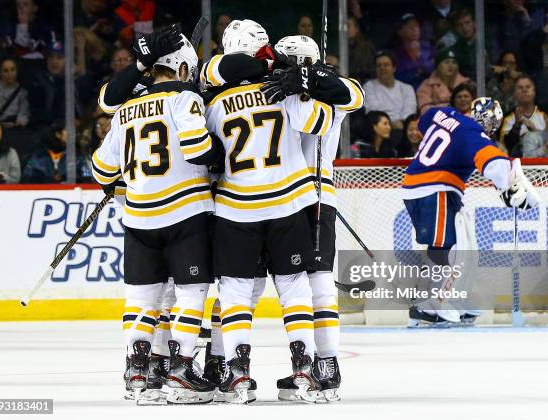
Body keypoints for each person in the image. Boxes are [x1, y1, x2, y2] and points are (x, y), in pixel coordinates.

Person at [92, 34, 220, 405]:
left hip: (138, 217)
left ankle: (138, 372)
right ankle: (180, 368)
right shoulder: (185, 98)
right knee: (191, 293)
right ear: (182, 69)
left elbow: (102, 170)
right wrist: (220, 151)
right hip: (185, 213)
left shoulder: (126, 108)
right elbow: (198, 149)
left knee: (141, 299)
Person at [202, 19, 323, 403]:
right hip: (288, 203)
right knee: (294, 286)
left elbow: (205, 159)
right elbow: (319, 123)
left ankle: (237, 376)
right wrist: (305, 79)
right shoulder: (284, 90)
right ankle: (304, 370)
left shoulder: (214, 104)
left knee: (236, 292)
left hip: (236, 209)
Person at [260, 34, 365, 402]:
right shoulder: (288, 90)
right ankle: (314, 366)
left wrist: (308, 82)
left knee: (314, 284)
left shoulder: (324, 92)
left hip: (309, 193)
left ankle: (326, 365)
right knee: (301, 285)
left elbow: (354, 95)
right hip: (296, 195)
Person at [401, 97, 538, 327]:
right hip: (435, 188)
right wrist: (511, 184)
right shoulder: (474, 135)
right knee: (445, 246)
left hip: (423, 187)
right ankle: (430, 305)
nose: (491, 129)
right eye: (493, 124)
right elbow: (493, 164)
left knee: (460, 245)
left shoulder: (442, 113)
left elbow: (424, 121)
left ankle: (447, 298)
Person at [22, 119, 92, 183]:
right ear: (58, 134)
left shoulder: (77, 156)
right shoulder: (39, 155)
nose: (75, 134)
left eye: (75, 131)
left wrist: (65, 178)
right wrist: (49, 180)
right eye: (70, 131)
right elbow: (27, 177)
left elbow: (87, 178)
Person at [363, 51, 416, 130]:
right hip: (379, 128)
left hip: (403, 127)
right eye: (378, 65)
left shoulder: (407, 88)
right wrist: (391, 124)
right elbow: (372, 110)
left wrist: (400, 123)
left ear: (394, 68)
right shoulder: (369, 86)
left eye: (386, 65)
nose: (382, 68)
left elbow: (410, 111)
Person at [499, 75, 546, 156]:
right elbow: (506, 146)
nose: (524, 90)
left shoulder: (545, 114)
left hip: (543, 164)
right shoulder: (507, 118)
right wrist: (516, 125)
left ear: (534, 91)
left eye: (528, 87)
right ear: (514, 93)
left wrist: (534, 131)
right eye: (520, 88)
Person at [0, 58, 30, 128]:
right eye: (5, 71)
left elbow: (24, 114)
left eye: (12, 70)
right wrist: (2, 125)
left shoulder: (23, 92)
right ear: (0, 73)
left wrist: (18, 122)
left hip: (16, 131)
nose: (10, 74)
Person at [417, 49, 469, 115]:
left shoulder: (467, 83)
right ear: (438, 66)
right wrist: (451, 107)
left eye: (454, 62)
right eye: (446, 62)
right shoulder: (427, 85)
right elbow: (425, 109)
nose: (451, 66)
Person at [394, 13, 435, 89]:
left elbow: (435, 71)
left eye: (417, 26)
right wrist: (419, 72)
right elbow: (398, 78)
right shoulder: (396, 54)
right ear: (400, 31)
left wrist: (419, 56)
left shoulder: (430, 49)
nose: (415, 29)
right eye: (410, 26)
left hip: (432, 90)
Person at [347, 16, 375, 82]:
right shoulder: (337, 46)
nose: (345, 29)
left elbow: (367, 69)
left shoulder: (366, 47)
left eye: (348, 26)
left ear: (357, 29)